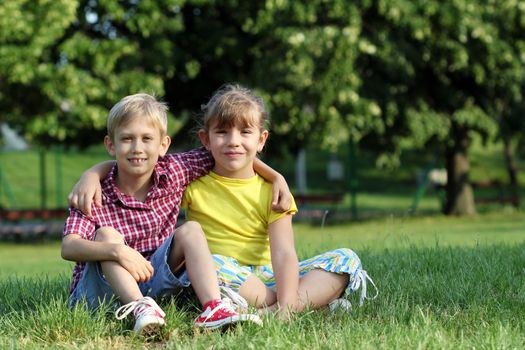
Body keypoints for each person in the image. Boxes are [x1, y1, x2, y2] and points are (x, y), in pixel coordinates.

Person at [62, 93, 290, 335]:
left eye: (147, 139)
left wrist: (276, 176)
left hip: (155, 281)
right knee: (107, 234)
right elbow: (69, 247)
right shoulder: (92, 193)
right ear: (111, 145)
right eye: (127, 139)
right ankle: (137, 306)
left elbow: (230, 153)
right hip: (101, 291)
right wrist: (118, 251)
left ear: (163, 145)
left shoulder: (174, 172)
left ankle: (214, 308)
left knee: (191, 230)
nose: (137, 148)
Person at [181, 84, 377, 318]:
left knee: (346, 259)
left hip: (267, 278)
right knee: (208, 265)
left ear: (261, 139)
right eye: (222, 132)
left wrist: (285, 297)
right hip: (222, 277)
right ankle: (311, 302)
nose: (233, 141)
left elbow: (284, 253)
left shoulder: (273, 191)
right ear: (206, 139)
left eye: (245, 132)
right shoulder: (192, 186)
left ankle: (279, 310)